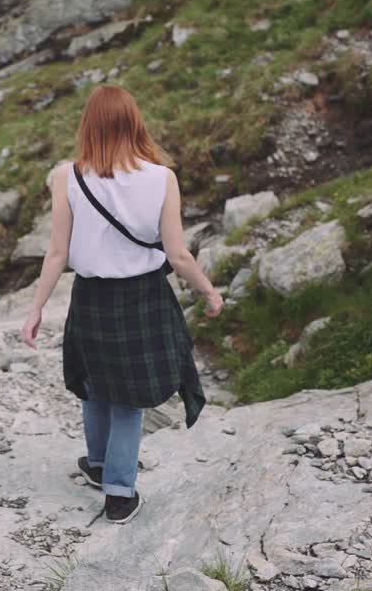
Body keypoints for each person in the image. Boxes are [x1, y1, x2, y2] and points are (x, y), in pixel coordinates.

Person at [20, 84, 224, 525]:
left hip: (90, 297)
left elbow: (57, 253)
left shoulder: (67, 177)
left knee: (95, 383)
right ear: (135, 122)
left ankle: (99, 465)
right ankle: (117, 493)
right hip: (143, 296)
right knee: (128, 397)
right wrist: (208, 291)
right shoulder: (161, 177)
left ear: (88, 125)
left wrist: (36, 309)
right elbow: (178, 255)